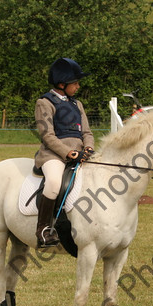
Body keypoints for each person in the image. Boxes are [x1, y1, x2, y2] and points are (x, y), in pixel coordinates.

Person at [34, 58, 95, 248]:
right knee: (53, 182)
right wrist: (69, 153)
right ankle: (43, 229)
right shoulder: (44, 102)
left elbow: (87, 132)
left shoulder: (78, 105)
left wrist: (89, 148)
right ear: (62, 84)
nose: (78, 86)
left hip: (80, 153)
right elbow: (47, 135)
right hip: (54, 154)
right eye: (75, 83)